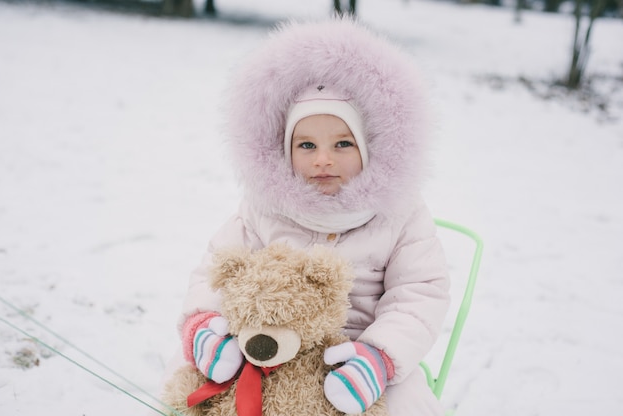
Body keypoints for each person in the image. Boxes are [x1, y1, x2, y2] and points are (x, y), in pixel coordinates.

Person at [165, 18, 450, 416]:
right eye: (307, 144)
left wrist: (380, 357)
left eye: (343, 143)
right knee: (200, 389)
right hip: (266, 345)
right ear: (287, 149)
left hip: (356, 357)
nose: (323, 159)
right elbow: (218, 271)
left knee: (407, 406)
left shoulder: (399, 214)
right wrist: (206, 327)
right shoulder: (264, 207)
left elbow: (419, 294)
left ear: (369, 148)